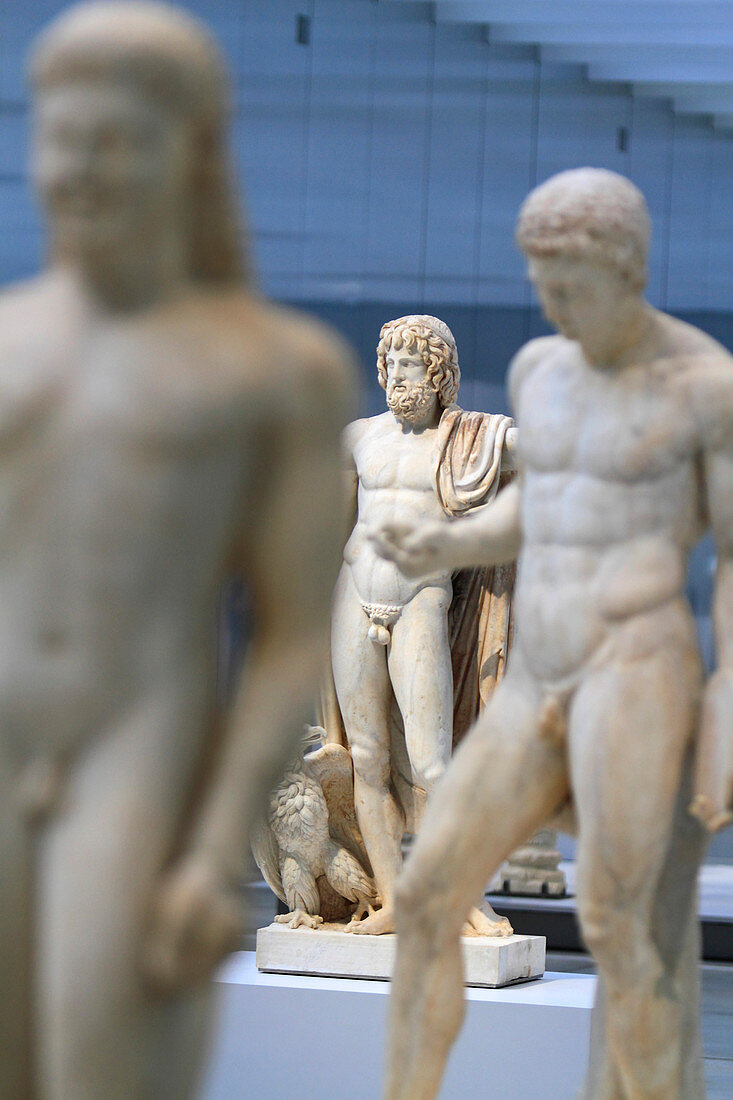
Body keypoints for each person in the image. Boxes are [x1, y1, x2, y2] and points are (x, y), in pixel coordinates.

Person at [0, 3, 353, 1096]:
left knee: (105, 1065)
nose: (78, 169)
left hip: (138, 749)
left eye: (114, 139)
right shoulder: (10, 337)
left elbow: (296, 632)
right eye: (59, 136)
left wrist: (212, 854)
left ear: (190, 152)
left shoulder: (271, 368)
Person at [372, 168, 733, 1098]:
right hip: (539, 671)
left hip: (634, 664)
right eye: (537, 279)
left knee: (619, 923)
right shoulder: (542, 369)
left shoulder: (703, 387)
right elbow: (542, 507)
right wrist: (445, 541)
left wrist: (728, 690)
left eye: (566, 280)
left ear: (625, 265)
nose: (548, 300)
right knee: (423, 896)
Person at [331, 314, 515, 935]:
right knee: (367, 758)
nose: (394, 377)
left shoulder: (467, 440)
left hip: (420, 599)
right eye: (389, 366)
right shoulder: (359, 436)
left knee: (435, 764)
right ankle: (392, 900)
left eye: (409, 367)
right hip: (353, 594)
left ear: (438, 375)